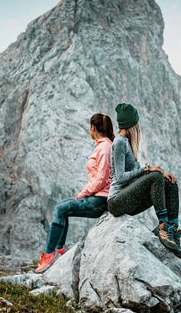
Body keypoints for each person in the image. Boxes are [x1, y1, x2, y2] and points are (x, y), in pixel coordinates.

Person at [36, 113, 115, 272]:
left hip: (101, 200)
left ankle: (50, 254)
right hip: (98, 197)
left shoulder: (105, 148)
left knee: (60, 209)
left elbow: (102, 177)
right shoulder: (103, 146)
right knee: (62, 208)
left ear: (93, 128)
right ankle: (59, 251)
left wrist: (85, 192)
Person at [107, 103, 181, 259]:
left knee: (169, 183)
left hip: (128, 197)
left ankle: (172, 228)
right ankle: (162, 226)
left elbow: (136, 177)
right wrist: (147, 170)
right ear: (132, 124)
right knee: (155, 177)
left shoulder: (127, 142)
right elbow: (120, 177)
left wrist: (160, 175)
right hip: (116, 201)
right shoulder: (119, 142)